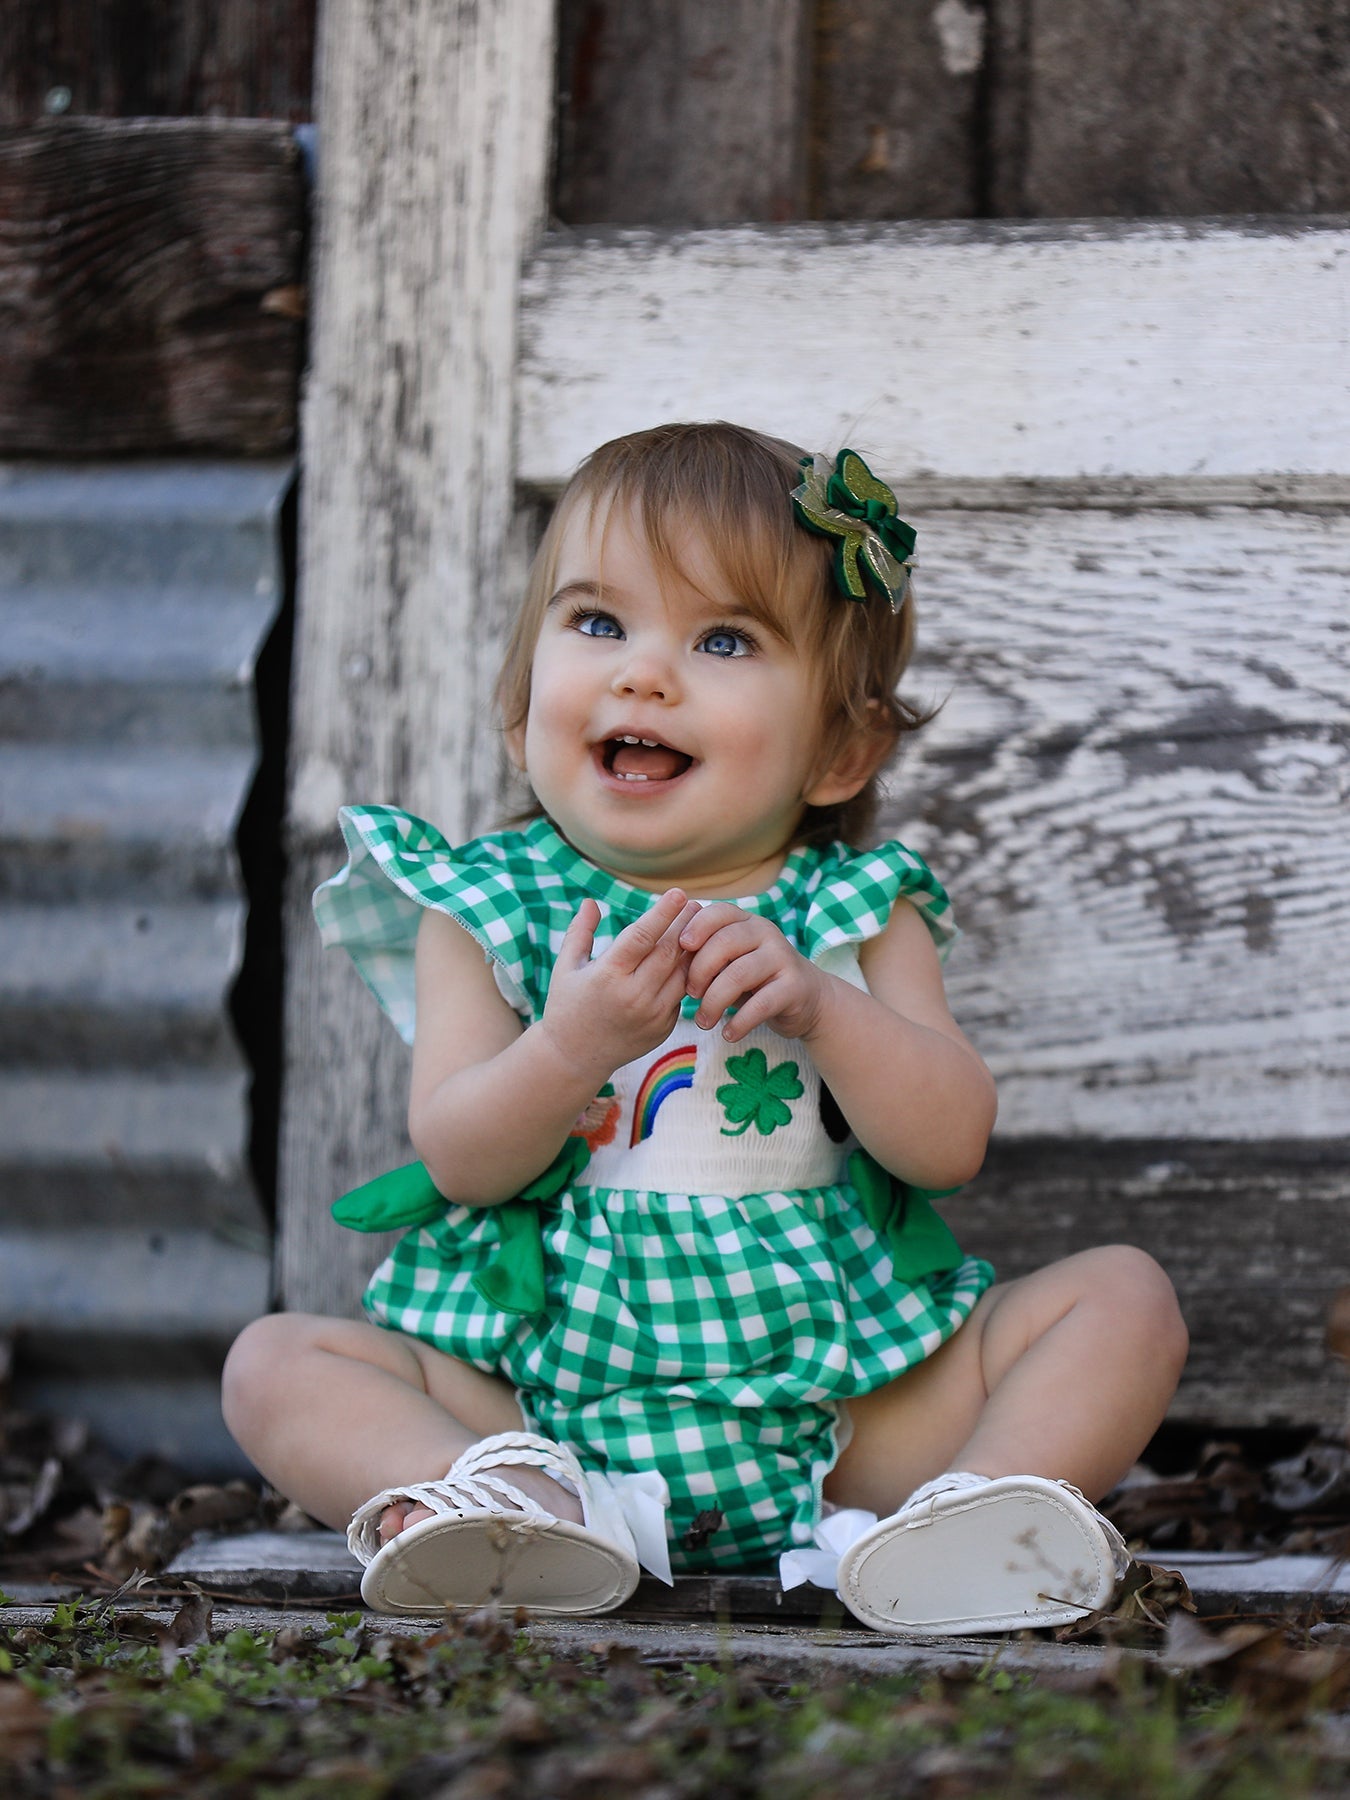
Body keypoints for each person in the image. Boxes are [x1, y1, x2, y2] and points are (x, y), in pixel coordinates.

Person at [223, 422, 1187, 1636]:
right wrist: (570, 1048)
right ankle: (519, 1510)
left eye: (723, 639)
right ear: (521, 708)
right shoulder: (485, 907)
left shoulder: (852, 911)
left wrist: (825, 1010)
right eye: (596, 624)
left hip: (844, 1420)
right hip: (544, 1400)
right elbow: (462, 1157)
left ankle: (962, 1521)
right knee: (273, 1363)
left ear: (841, 749)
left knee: (1124, 1299)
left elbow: (947, 1147)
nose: (643, 674)